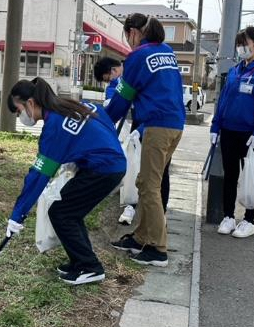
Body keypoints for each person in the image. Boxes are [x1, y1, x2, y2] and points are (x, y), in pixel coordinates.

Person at [5, 77, 126, 285]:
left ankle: (90, 267)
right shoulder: (72, 105)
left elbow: (39, 176)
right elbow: (105, 119)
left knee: (62, 213)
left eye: (18, 111)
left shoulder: (54, 127)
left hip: (103, 169)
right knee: (69, 210)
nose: (20, 117)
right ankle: (81, 262)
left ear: (30, 103)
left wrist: (17, 215)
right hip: (109, 163)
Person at [105, 14, 185, 267]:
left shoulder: (138, 56)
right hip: (174, 125)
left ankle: (158, 249)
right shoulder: (167, 51)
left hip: (156, 126)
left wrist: (103, 120)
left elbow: (122, 98)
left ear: (133, 32)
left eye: (126, 35)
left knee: (149, 186)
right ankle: (141, 237)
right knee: (146, 182)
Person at [211, 26, 254, 238]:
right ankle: (229, 216)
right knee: (230, 176)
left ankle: (249, 220)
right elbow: (223, 101)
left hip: (251, 134)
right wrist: (215, 125)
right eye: (238, 45)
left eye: (245, 44)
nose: (241, 48)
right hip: (229, 131)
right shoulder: (235, 70)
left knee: (251, 176)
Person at [94, 57, 171, 225]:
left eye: (109, 78)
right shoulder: (120, 81)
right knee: (136, 166)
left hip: (158, 123)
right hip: (139, 119)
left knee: (160, 171)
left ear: (114, 70)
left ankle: (160, 213)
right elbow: (114, 101)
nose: (110, 82)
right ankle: (132, 205)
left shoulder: (139, 71)